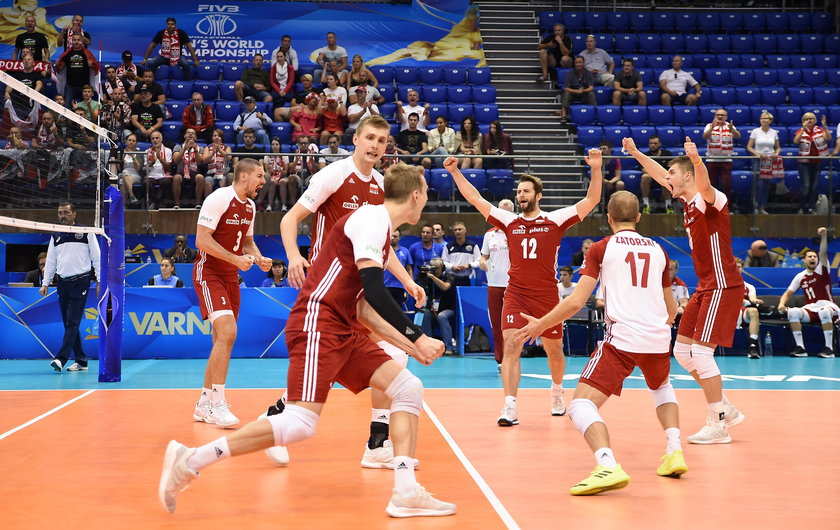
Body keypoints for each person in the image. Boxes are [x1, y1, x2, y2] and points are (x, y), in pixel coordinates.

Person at [159, 162, 456, 519]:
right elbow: (376, 291)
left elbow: (363, 309)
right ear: (416, 195)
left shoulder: (378, 228)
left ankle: (406, 491)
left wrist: (411, 345)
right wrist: (418, 336)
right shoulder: (372, 221)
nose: (426, 200)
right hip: (318, 324)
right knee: (299, 423)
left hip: (342, 326)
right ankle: (190, 459)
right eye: (425, 194)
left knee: (407, 388)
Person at [267, 116, 427, 470]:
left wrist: (407, 281)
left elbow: (380, 249)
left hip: (359, 289)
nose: (375, 145)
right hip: (328, 287)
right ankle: (277, 416)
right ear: (356, 139)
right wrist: (294, 257)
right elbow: (289, 218)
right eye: (369, 138)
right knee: (331, 366)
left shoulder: (383, 186)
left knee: (394, 356)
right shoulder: (333, 175)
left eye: (382, 141)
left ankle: (376, 442)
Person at [515, 190, 685, 496]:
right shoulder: (659, 251)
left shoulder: (601, 248)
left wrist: (541, 323)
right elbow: (671, 307)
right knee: (661, 387)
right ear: (638, 217)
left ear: (608, 218)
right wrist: (661, 322)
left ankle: (606, 464)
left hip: (623, 339)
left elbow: (577, 301)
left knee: (580, 404)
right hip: (659, 338)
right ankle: (674, 451)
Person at [445, 151, 601, 425]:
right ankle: (510, 406)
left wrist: (596, 169)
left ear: (538, 195)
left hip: (547, 296)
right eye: (519, 191)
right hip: (515, 293)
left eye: (526, 191)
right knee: (511, 346)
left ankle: (556, 392)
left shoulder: (555, 219)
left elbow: (591, 201)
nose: (521, 195)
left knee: (554, 351)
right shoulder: (509, 222)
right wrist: (456, 172)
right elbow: (475, 199)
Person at [623, 135, 745, 444]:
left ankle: (718, 423)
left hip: (723, 284)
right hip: (705, 287)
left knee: (702, 352)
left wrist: (697, 160)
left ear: (687, 175)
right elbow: (658, 173)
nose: (668, 178)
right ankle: (725, 407)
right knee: (682, 352)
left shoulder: (710, 199)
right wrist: (636, 153)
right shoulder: (686, 201)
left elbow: (703, 184)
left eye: (673, 174)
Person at [191, 158, 273, 428]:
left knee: (221, 339)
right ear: (244, 176)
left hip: (230, 277)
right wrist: (235, 259)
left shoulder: (249, 206)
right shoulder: (219, 198)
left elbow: (247, 242)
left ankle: (203, 404)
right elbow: (201, 239)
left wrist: (258, 258)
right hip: (209, 273)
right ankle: (217, 404)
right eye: (260, 176)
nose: (264, 181)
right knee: (228, 332)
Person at [40, 202, 100, 372]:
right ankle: (81, 360)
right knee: (69, 324)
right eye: (60, 213)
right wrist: (45, 283)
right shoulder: (56, 235)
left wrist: (100, 281)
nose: (62, 215)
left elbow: (97, 257)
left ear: (74, 214)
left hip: (81, 281)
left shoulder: (86, 232)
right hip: (62, 283)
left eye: (66, 212)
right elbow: (51, 261)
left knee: (72, 321)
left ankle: (61, 358)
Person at [778, 227, 838, 359]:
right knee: (793, 312)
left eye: (814, 257)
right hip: (811, 309)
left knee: (824, 311)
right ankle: (801, 348)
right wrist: (781, 305)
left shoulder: (821, 270)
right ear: (804, 260)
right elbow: (788, 292)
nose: (813, 258)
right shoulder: (801, 276)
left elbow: (823, 253)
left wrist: (823, 237)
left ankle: (829, 349)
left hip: (828, 306)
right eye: (809, 256)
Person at [480, 199, 515, 369]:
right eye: (501, 211)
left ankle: (512, 357)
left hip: (514, 286)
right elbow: (484, 256)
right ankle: (501, 360)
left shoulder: (518, 232)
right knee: (497, 324)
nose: (504, 215)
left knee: (512, 325)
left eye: (507, 212)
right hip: (494, 284)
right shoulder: (489, 235)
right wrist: (482, 261)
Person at [793, 113, 831, 214]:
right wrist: (802, 129)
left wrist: (825, 127)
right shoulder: (801, 130)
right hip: (803, 163)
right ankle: (801, 207)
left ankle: (811, 207)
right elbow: (796, 141)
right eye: (807, 119)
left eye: (811, 119)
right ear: (803, 121)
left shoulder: (819, 129)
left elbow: (828, 138)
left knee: (814, 187)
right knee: (806, 186)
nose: (809, 120)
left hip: (817, 162)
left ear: (815, 120)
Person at [416, 257, 456, 354]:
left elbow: (445, 287)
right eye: (433, 268)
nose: (435, 271)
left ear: (442, 268)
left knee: (442, 317)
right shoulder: (428, 278)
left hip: (448, 310)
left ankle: (449, 348)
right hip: (433, 309)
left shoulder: (448, 276)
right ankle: (429, 346)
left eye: (437, 268)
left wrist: (433, 278)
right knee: (425, 314)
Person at [141, 17, 200, 81]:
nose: (170, 26)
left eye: (172, 24)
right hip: (164, 57)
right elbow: (152, 46)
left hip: (178, 57)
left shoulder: (181, 33)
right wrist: (145, 59)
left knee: (185, 64)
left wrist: (195, 60)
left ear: (175, 25)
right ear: (166, 25)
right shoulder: (161, 33)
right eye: (168, 24)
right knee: (151, 63)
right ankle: (151, 82)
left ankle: (187, 83)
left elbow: (190, 47)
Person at [746, 111, 782, 215]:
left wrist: (776, 153)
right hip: (759, 160)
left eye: (765, 118)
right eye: (762, 118)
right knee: (759, 185)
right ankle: (755, 206)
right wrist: (757, 154)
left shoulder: (774, 132)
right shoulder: (755, 131)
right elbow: (749, 147)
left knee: (767, 185)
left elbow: (778, 147)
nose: (763, 120)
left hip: (770, 161)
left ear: (770, 120)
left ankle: (762, 207)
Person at [703, 108, 741, 204]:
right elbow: (704, 137)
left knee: (726, 183)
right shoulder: (709, 125)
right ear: (715, 116)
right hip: (712, 159)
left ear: (726, 117)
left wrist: (732, 129)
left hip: (726, 159)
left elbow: (738, 136)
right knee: (712, 184)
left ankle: (726, 205)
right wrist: (712, 128)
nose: (720, 116)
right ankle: (712, 204)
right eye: (718, 115)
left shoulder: (730, 126)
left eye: (722, 115)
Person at [734, 258, 763, 359]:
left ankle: (752, 346)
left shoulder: (749, 286)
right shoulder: (723, 284)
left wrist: (755, 301)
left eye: (738, 267)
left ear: (742, 269)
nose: (736, 269)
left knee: (754, 311)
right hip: (725, 312)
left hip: (742, 311)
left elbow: (752, 298)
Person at [639, 135, 674, 214]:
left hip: (664, 178)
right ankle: (646, 205)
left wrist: (662, 176)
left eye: (655, 143)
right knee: (645, 177)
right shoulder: (645, 155)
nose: (653, 145)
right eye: (651, 143)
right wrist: (657, 176)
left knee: (666, 179)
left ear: (660, 144)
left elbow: (672, 168)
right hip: (651, 179)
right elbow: (644, 169)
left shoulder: (667, 154)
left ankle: (668, 206)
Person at [441, 220, 481, 287]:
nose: (457, 231)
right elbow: (443, 262)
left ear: (465, 230)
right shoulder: (448, 246)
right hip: (451, 278)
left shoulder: (473, 246)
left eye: (460, 229)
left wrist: (469, 265)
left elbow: (479, 261)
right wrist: (452, 267)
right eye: (455, 230)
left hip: (467, 279)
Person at [559, 56, 595, 123]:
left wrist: (582, 90)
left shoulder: (589, 73)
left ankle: (594, 115)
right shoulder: (570, 73)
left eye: (580, 62)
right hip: (573, 93)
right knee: (566, 94)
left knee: (591, 94)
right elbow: (566, 88)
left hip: (584, 93)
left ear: (583, 63)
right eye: (576, 63)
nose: (578, 64)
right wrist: (575, 91)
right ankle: (564, 116)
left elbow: (591, 88)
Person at [383, 228, 413, 308]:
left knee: (398, 311)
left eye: (395, 236)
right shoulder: (383, 251)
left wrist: (411, 285)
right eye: (391, 236)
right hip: (385, 286)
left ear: (399, 238)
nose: (392, 238)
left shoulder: (405, 251)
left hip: (400, 286)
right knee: (384, 311)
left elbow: (409, 268)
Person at [269, 49, 295, 121]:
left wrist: (284, 91)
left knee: (285, 97)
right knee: (275, 96)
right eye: (278, 57)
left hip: (288, 91)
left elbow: (291, 81)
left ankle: (278, 112)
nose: (279, 58)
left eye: (281, 56)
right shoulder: (273, 67)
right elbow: (272, 81)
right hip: (277, 91)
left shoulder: (290, 67)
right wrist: (279, 91)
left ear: (285, 57)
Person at [669, 259, 690, 325]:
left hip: (673, 315)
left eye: (670, 269)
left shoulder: (680, 285)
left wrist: (682, 307)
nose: (667, 272)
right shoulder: (655, 282)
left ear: (676, 271)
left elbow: (684, 303)